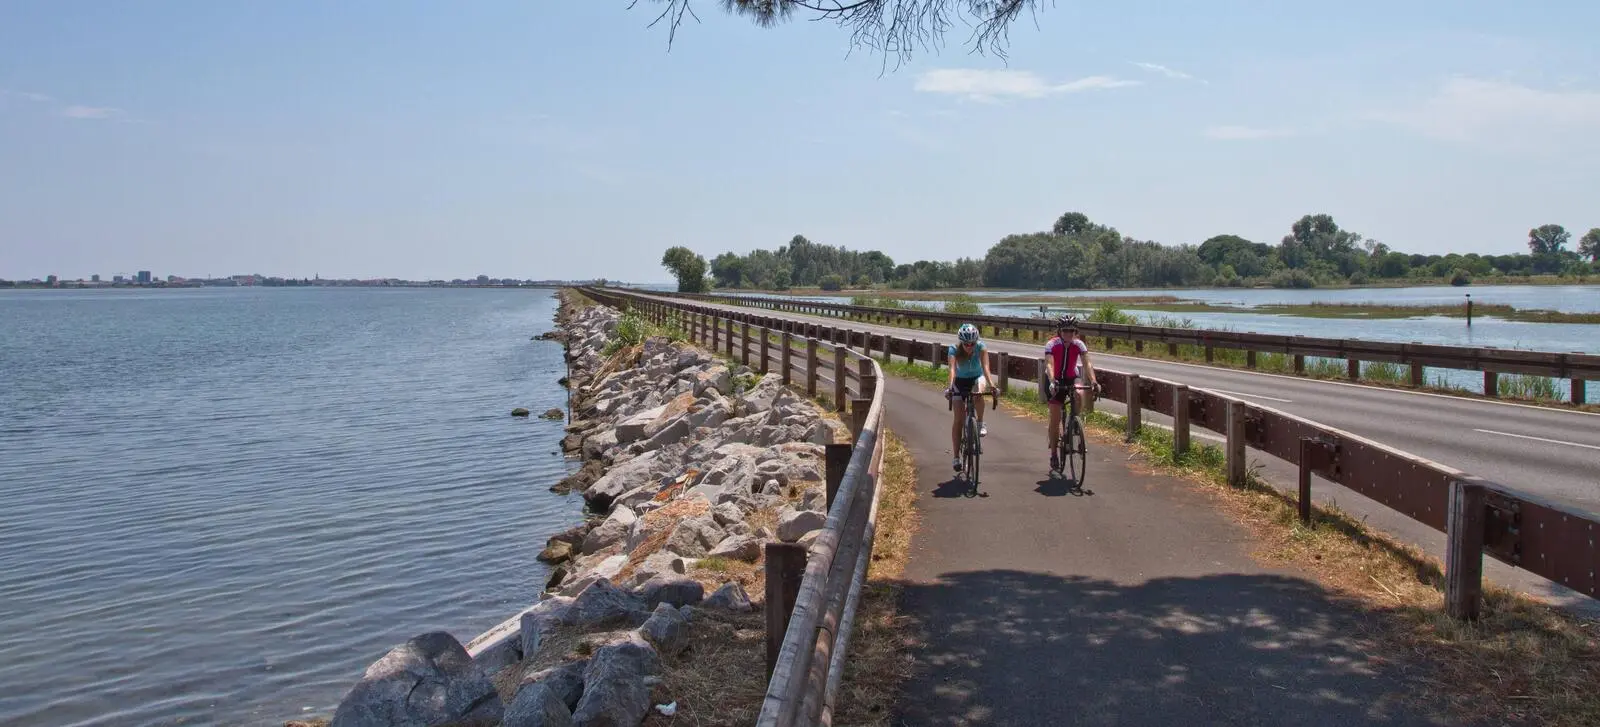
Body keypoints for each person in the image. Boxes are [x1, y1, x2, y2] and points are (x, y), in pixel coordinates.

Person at [1044, 315, 1100, 473]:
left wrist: (1094, 381)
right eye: (1066, 330)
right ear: (1060, 331)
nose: (1069, 334)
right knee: (1055, 419)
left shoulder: (1079, 344)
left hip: (1071, 376)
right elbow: (1049, 363)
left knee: (1080, 393)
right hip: (1054, 379)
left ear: (1076, 332)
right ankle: (1054, 453)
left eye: (1072, 331)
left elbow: (1087, 363)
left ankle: (1075, 423)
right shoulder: (1052, 344)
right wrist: (1052, 381)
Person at [944, 323, 995, 472]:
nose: (969, 346)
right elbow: (952, 370)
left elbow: (986, 368)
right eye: (966, 344)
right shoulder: (953, 349)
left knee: (978, 394)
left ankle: (980, 422)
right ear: (961, 342)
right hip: (959, 381)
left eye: (972, 343)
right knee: (958, 420)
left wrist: (992, 385)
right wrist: (950, 387)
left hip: (976, 378)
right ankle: (956, 457)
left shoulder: (981, 347)